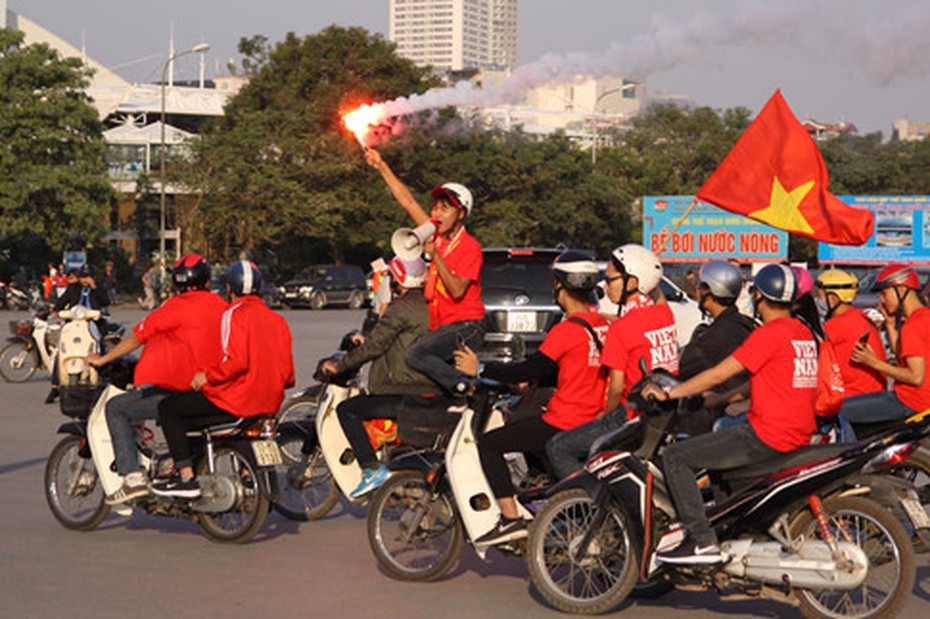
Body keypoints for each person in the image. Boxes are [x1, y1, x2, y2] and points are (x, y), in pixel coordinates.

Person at [642, 263, 817, 564]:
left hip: (766, 435)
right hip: (798, 431)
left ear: (760, 297)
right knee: (717, 455)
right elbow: (766, 381)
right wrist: (718, 399)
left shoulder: (769, 334)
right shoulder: (801, 332)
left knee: (677, 457)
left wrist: (669, 393)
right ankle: (733, 534)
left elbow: (716, 373)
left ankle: (701, 541)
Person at [453, 251, 608, 545]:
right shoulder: (603, 325)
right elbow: (574, 368)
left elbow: (530, 366)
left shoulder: (566, 330)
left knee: (490, 443)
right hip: (593, 417)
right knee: (523, 426)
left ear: (561, 287)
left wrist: (481, 367)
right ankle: (540, 496)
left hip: (566, 420)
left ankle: (510, 520)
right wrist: (536, 379)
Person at [86, 255, 228, 504]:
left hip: (183, 391)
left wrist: (103, 358)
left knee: (116, 407)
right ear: (207, 279)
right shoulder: (221, 305)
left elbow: (137, 337)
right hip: (217, 389)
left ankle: (132, 479)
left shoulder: (174, 307)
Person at [152, 261, 295, 498]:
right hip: (270, 403)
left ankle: (185, 478)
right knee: (190, 419)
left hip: (240, 401)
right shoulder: (277, 320)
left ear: (229, 288)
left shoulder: (233, 313)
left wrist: (205, 376)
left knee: (169, 410)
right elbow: (288, 375)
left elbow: (235, 362)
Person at [546, 244, 678, 479]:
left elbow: (616, 388)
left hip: (631, 416)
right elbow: (648, 306)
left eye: (610, 280)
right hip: (663, 413)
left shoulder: (621, 329)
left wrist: (605, 418)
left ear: (633, 282)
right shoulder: (664, 314)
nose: (605, 287)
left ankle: (589, 502)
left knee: (559, 447)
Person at [365, 148, 485, 397]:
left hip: (467, 325)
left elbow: (457, 289)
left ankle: (471, 384)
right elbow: (407, 200)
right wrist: (381, 165)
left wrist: (435, 255)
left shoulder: (469, 247)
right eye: (435, 208)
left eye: (445, 209)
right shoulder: (436, 236)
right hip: (445, 325)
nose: (436, 214)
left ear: (461, 214)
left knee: (416, 355)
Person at [320, 257, 439, 499]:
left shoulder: (401, 307)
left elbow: (374, 347)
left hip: (402, 388)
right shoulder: (434, 305)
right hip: (432, 387)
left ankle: (371, 469)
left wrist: (340, 365)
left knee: (348, 410)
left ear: (398, 281)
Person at [838, 264, 930, 427]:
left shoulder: (912, 326)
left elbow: (915, 377)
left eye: (885, 294)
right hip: (922, 402)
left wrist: (873, 363)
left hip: (909, 401)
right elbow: (905, 357)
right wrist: (890, 325)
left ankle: (848, 452)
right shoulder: (924, 317)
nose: (882, 300)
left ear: (901, 290)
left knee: (837, 412)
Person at [676, 260, 756, 436]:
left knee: (675, 454)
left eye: (700, 286)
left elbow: (683, 367)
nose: (697, 290)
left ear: (709, 291)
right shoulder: (744, 324)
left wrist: (667, 393)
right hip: (741, 410)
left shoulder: (715, 337)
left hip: (721, 417)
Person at [815, 268, 886, 398]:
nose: (817, 300)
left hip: (854, 396)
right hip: (873, 393)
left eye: (820, 296)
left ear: (833, 299)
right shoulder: (859, 317)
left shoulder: (838, 325)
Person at [46, 264, 110, 404]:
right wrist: (55, 310)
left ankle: (103, 375)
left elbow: (106, 302)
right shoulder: (73, 288)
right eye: (82, 277)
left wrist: (95, 287)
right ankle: (55, 385)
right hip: (73, 324)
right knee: (60, 348)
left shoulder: (97, 288)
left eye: (88, 277)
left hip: (92, 323)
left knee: (99, 344)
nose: (85, 280)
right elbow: (62, 301)